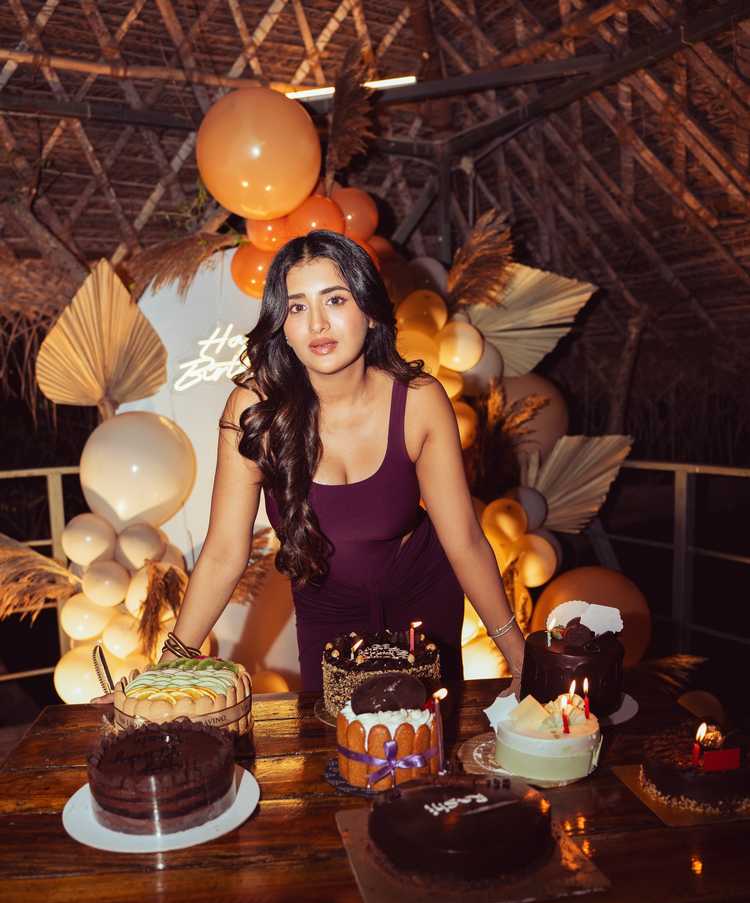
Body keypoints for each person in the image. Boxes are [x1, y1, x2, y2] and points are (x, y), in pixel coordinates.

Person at [159, 230, 525, 692]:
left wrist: (520, 657)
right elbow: (223, 553)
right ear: (282, 325)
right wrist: (164, 670)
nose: (317, 324)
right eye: (297, 307)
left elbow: (465, 540)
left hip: (423, 596)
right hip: (327, 608)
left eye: (335, 300)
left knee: (426, 731)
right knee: (333, 733)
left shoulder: (418, 401)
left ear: (369, 312)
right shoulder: (253, 413)